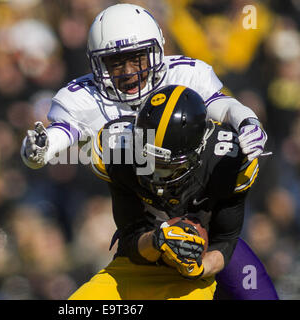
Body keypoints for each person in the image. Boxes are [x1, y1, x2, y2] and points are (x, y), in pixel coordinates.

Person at [21, 4, 277, 299]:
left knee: (256, 292)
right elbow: (63, 133)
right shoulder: (108, 136)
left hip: (202, 227)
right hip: (146, 229)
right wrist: (42, 148)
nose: (129, 72)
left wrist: (245, 119)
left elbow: (218, 103)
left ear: (156, 52)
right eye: (116, 63)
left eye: (136, 58)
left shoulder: (187, 78)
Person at [68, 85, 269, 299]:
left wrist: (197, 267)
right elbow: (130, 237)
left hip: (195, 272)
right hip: (138, 266)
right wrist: (158, 239)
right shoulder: (118, 148)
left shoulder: (225, 161)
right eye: (147, 159)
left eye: (165, 164)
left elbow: (225, 239)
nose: (153, 172)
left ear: (198, 151)